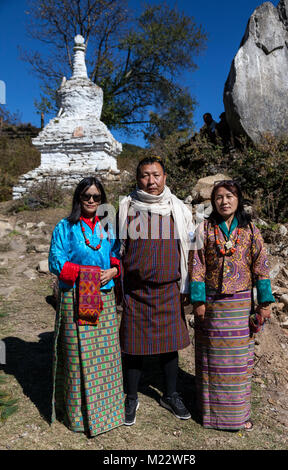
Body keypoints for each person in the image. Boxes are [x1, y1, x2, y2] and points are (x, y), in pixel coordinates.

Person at [190, 180, 274, 432]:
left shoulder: (251, 230)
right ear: (212, 202)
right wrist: (198, 301)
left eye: (229, 196)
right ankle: (211, 416)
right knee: (212, 361)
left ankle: (237, 417)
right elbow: (197, 266)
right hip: (212, 305)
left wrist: (265, 302)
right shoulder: (204, 229)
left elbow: (261, 267)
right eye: (218, 197)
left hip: (240, 305)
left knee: (238, 363)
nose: (224, 201)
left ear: (238, 200)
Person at [118, 156, 194, 426]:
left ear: (165, 177)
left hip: (169, 289)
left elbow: (191, 248)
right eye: (145, 176)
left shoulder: (179, 209)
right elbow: (117, 250)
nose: (151, 181)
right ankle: (130, 397)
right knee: (133, 346)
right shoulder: (126, 207)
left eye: (156, 175)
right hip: (136, 291)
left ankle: (171, 394)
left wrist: (189, 285)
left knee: (170, 346)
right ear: (137, 179)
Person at [48, 176, 124, 437]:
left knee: (105, 357)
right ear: (78, 198)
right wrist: (86, 273)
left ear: (102, 200)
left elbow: (116, 255)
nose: (91, 201)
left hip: (103, 297)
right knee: (74, 355)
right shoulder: (65, 227)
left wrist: (114, 271)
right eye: (86, 196)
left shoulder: (107, 226)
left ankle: (108, 411)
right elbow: (56, 261)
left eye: (96, 197)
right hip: (74, 297)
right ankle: (78, 417)